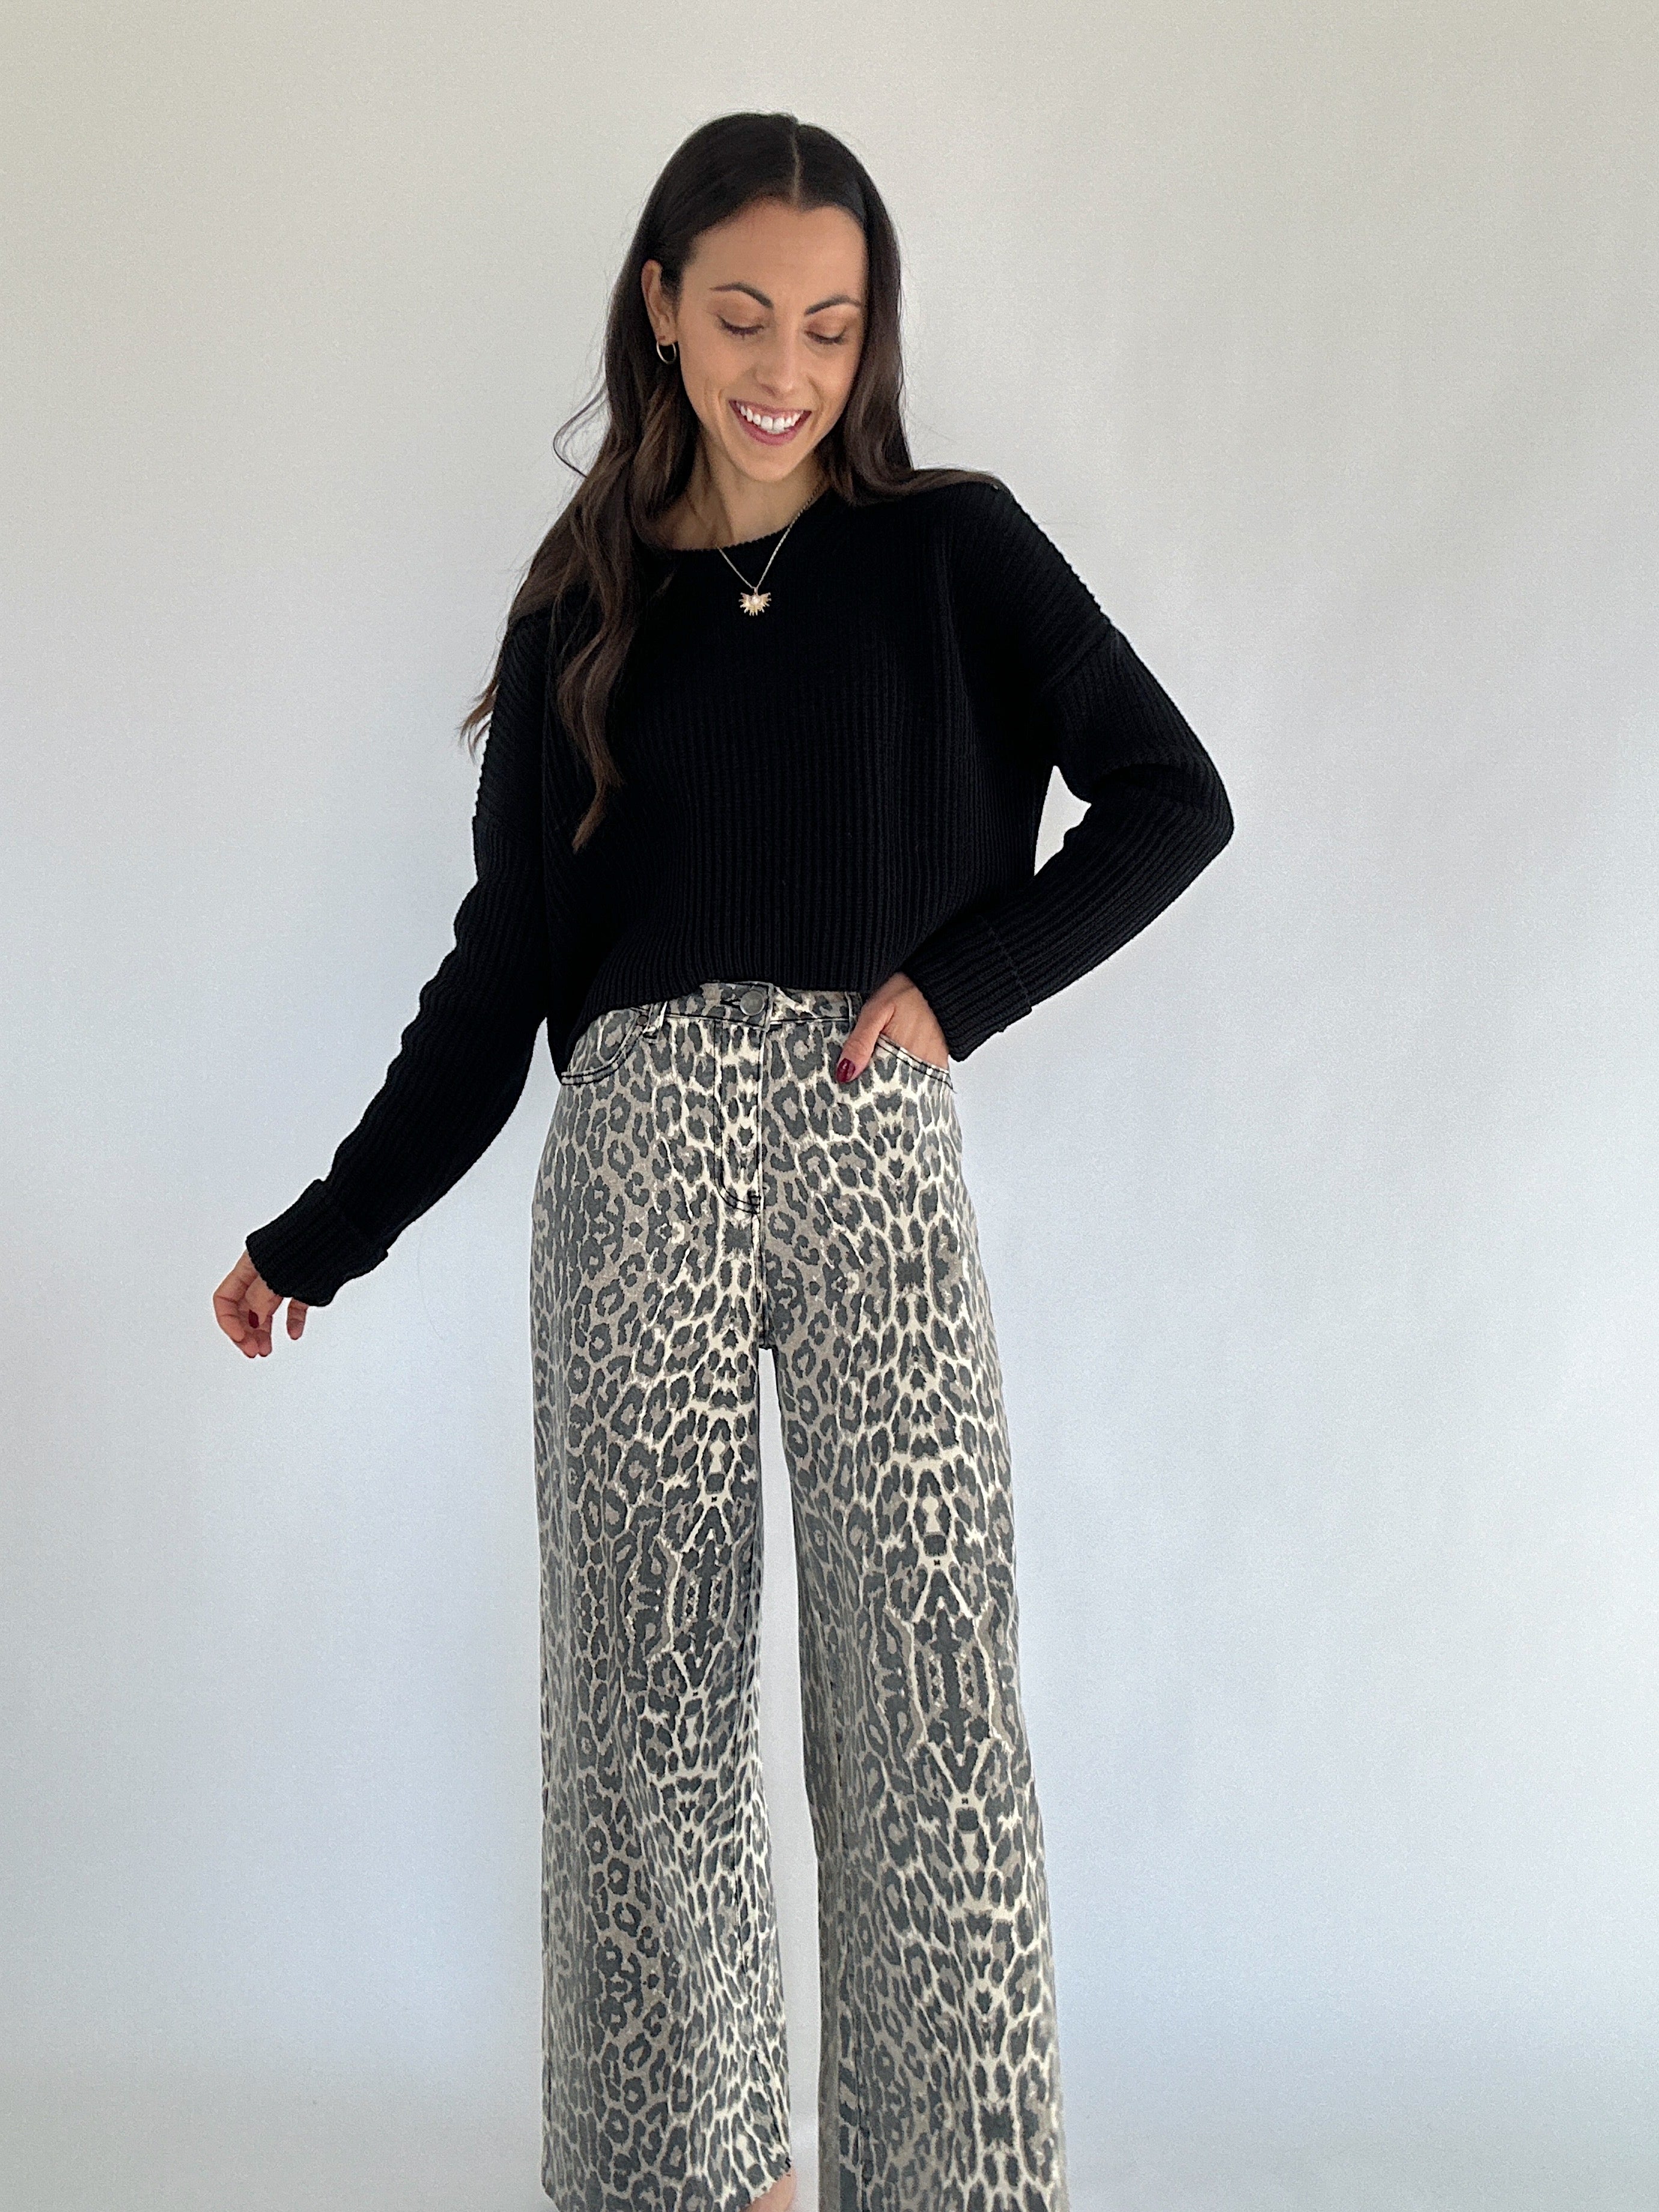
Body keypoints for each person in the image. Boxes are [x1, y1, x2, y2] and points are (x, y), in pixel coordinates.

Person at [213, 110, 1232, 2212]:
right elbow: (502, 970)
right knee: (645, 1696)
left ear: (872, 338)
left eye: (832, 328)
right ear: (662, 305)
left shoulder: (954, 548)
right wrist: (323, 1230)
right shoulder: (580, 604)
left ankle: (951, 2180)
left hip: (870, 1137)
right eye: (746, 314)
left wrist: (956, 986)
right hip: (639, 1152)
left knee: (928, 1678)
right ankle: (700, 2179)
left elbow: (1169, 795)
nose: (786, 368)